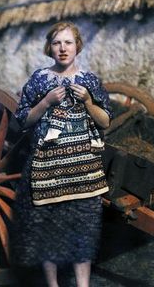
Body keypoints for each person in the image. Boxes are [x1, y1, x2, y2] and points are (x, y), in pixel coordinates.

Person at [11, 21, 112, 287]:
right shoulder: (39, 79)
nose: (63, 48)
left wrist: (89, 102)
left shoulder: (90, 80)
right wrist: (45, 102)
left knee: (83, 233)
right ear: (50, 48)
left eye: (68, 42)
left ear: (77, 46)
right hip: (47, 169)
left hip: (83, 173)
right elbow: (23, 121)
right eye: (57, 43)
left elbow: (105, 122)